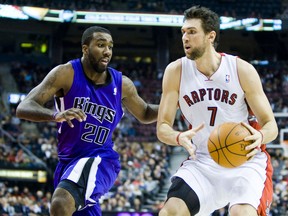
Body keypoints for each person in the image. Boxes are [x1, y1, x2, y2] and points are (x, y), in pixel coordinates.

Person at [16, 26, 158, 216]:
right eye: (101, 45)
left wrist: (175, 103)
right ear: (85, 48)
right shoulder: (66, 73)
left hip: (101, 159)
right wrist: (54, 115)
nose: (107, 51)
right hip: (67, 162)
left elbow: (146, 113)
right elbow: (24, 107)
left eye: (110, 46)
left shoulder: (122, 84)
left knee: (60, 203)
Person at [156, 5, 278, 216]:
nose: (185, 37)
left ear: (210, 36)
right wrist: (178, 137)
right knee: (169, 213)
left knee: (242, 214)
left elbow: (271, 126)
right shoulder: (175, 71)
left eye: (192, 32)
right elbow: (162, 128)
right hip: (203, 161)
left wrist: (260, 135)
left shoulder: (241, 69)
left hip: (244, 161)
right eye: (183, 32)